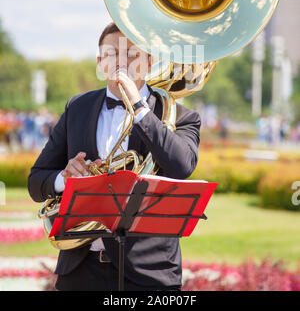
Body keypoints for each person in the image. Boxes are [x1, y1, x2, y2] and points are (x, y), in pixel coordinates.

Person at [27, 22, 201, 292]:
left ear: (149, 61)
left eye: (132, 54)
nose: (122, 62)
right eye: (112, 54)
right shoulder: (77, 107)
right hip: (81, 270)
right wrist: (65, 178)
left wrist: (140, 108)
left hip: (149, 273)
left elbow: (182, 166)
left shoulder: (182, 116)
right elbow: (36, 181)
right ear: (100, 62)